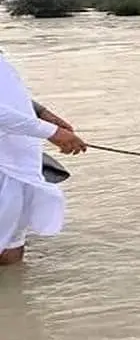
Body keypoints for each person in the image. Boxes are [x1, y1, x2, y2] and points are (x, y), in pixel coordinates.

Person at [0, 55, 86, 266]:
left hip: (17, 159)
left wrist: (41, 113)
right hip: (7, 159)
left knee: (11, 244)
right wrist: (51, 132)